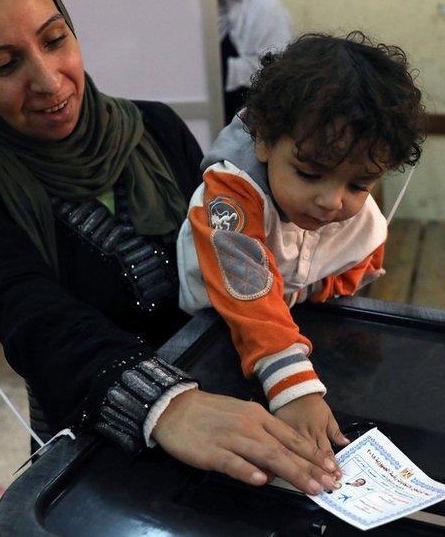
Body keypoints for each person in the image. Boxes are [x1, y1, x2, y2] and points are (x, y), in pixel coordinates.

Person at [0, 0, 339, 496]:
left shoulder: (155, 128)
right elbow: (34, 318)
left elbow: (232, 252)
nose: (48, 81)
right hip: (97, 431)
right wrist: (165, 403)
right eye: (3, 65)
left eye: (54, 39)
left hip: (231, 406)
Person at [177, 32, 426, 457]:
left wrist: (321, 291)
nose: (331, 201)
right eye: (309, 174)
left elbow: (359, 262)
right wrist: (295, 389)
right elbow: (248, 295)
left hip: (295, 326)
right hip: (210, 330)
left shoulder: (353, 212)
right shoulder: (230, 196)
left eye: (358, 184)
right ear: (265, 142)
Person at [217, 0, 293, 122]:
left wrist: (224, 69)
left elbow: (278, 73)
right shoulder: (189, 4)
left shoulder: (265, 6)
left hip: (250, 118)